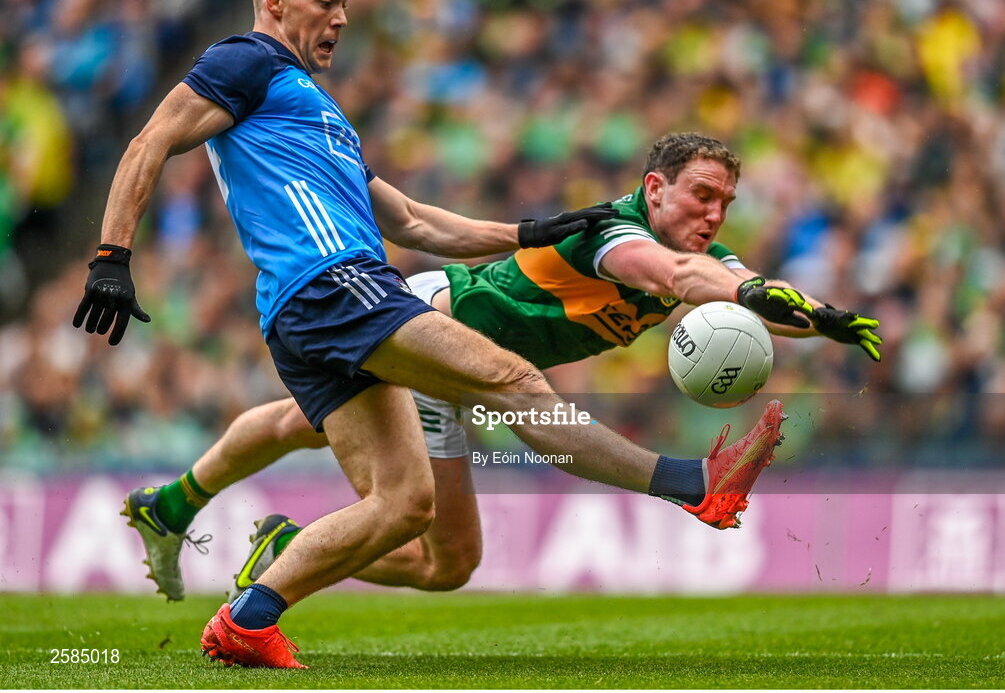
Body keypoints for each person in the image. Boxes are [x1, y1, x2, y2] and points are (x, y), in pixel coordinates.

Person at [74, 0, 826, 669]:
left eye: (348, 4)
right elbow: (150, 141)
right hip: (336, 284)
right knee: (514, 381)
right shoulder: (247, 61)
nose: (341, 18)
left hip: (307, 311)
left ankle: (245, 619)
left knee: (404, 506)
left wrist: (525, 232)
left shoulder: (320, 113)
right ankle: (691, 485)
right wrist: (112, 255)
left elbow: (412, 222)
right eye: (326, 0)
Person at [121, 133, 883, 607]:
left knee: (443, 558)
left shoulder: (709, 257)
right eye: (702, 195)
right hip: (431, 323)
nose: (715, 214)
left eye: (726, 202)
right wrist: (747, 290)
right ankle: (689, 483)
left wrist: (822, 317)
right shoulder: (611, 236)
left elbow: (748, 293)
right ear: (656, 188)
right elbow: (679, 278)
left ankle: (197, 509)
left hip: (464, 371)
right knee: (528, 413)